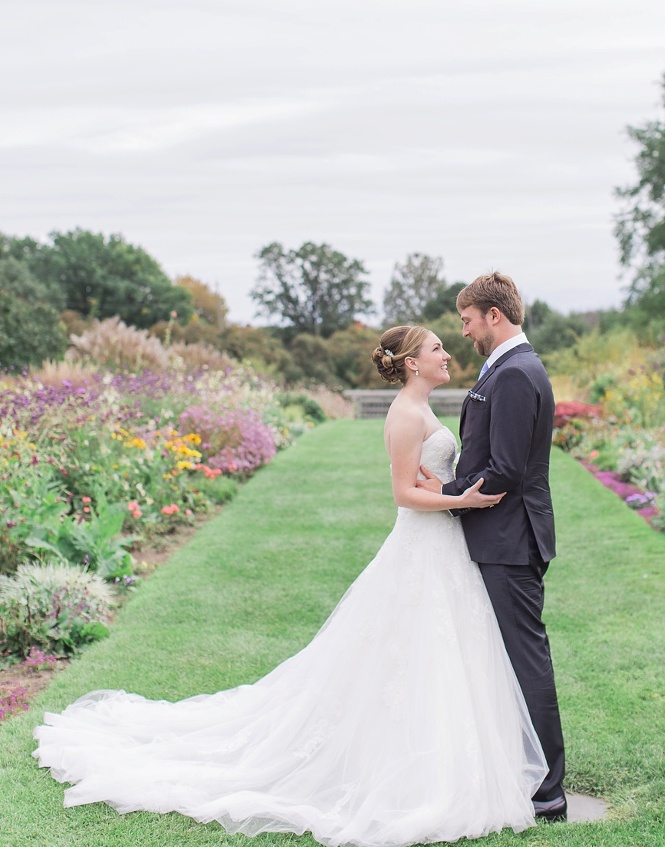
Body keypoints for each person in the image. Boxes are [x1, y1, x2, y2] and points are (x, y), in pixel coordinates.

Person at [34, 324, 547, 846]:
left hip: (442, 549)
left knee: (432, 654)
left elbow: (424, 478)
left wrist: (448, 490)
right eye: (438, 347)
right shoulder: (404, 413)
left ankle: (440, 758)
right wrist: (461, 501)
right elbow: (401, 494)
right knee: (407, 651)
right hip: (423, 543)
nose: (447, 352)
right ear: (413, 362)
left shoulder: (422, 406)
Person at [417, 272, 567, 822]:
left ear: (493, 316)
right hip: (501, 537)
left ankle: (548, 789)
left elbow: (503, 471)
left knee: (525, 659)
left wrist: (446, 492)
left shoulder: (513, 374)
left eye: (467, 320)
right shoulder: (508, 369)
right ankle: (520, 768)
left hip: (509, 539)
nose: (465, 332)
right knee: (504, 657)